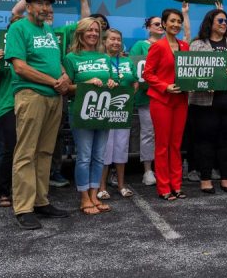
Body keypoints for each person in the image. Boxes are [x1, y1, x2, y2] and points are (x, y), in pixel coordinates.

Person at [5, 0, 71, 230]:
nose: (45, 8)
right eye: (40, 4)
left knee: (45, 152)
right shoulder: (18, 28)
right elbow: (20, 67)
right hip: (31, 94)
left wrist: (64, 76)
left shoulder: (48, 30)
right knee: (26, 152)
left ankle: (41, 201)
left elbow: (56, 61)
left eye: (48, 4)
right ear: (29, 7)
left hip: (54, 96)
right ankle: (23, 208)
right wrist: (53, 82)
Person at [188, 9, 227, 194]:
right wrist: (203, 82)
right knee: (204, 141)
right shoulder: (197, 44)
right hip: (204, 102)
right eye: (220, 20)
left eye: (226, 21)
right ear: (210, 22)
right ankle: (205, 179)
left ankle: (226, 178)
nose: (224, 23)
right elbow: (190, 70)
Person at [63, 18, 115, 214]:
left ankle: (94, 195)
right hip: (81, 112)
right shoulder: (71, 58)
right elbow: (65, 88)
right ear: (80, 33)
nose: (93, 33)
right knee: (84, 157)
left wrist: (112, 83)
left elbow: (111, 82)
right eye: (89, 30)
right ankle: (84, 197)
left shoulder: (105, 58)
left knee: (99, 156)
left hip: (103, 112)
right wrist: (85, 85)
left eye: (96, 30)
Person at [143, 8, 189, 201]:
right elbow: (147, 74)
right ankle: (163, 187)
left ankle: (176, 185)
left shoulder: (185, 46)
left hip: (181, 101)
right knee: (162, 145)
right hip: (161, 100)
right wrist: (165, 86)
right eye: (172, 21)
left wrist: (203, 83)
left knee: (176, 145)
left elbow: (190, 72)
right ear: (164, 23)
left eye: (179, 21)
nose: (176, 24)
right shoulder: (158, 46)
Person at [96, 29, 138, 199]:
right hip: (104, 110)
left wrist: (129, 95)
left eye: (119, 40)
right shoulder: (98, 60)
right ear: (104, 41)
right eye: (112, 39)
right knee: (105, 147)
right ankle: (101, 187)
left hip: (123, 110)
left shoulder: (127, 61)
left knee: (121, 147)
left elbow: (135, 81)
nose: (116, 42)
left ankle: (121, 185)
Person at [128, 17, 165, 186]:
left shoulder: (169, 45)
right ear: (148, 27)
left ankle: (162, 168)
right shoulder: (140, 45)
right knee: (148, 133)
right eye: (156, 24)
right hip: (146, 97)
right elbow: (132, 69)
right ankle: (148, 170)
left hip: (166, 97)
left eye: (162, 24)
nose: (160, 26)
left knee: (164, 134)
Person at [0, 14, 22, 208]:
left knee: (30, 151)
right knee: (7, 150)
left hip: (32, 105)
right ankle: (3, 191)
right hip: (8, 106)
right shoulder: (2, 54)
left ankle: (24, 190)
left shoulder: (35, 52)